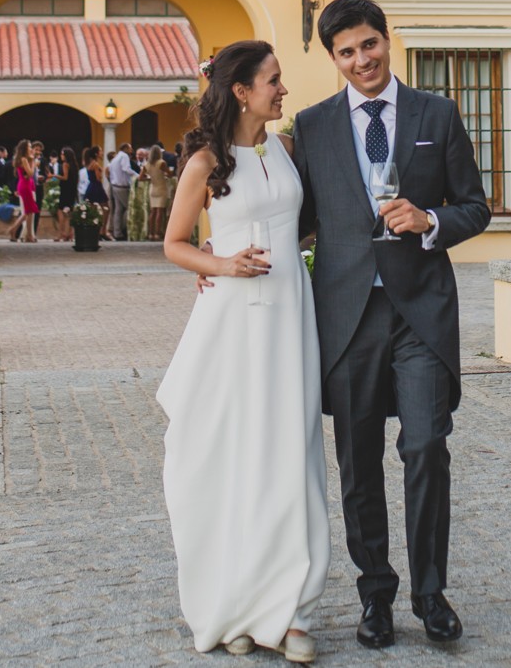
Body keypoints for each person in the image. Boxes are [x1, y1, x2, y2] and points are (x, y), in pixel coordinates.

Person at [294, 0, 490, 648]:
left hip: (421, 311)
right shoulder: (314, 125)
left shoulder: (438, 112)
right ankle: (375, 593)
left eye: (369, 44)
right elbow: (293, 223)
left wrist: (430, 220)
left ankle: (430, 593)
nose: (361, 60)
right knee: (357, 461)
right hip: (348, 315)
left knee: (426, 442)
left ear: (386, 39)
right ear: (333, 57)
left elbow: (475, 207)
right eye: (346, 51)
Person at [158, 40, 325, 663]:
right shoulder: (204, 160)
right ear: (242, 90)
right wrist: (220, 262)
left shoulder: (283, 150)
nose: (283, 90)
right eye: (274, 80)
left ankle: (293, 614)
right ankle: (232, 604)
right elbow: (174, 244)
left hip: (290, 313)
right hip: (233, 320)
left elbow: (299, 224)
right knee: (229, 455)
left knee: (291, 452)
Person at [80, 144, 112, 239]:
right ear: (96, 153)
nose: (102, 153)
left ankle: (95, 231)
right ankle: (103, 230)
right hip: (96, 187)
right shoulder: (96, 164)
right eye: (101, 151)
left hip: (91, 187)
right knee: (106, 208)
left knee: (93, 210)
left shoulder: (90, 163)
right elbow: (98, 178)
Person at [12, 139, 40, 243]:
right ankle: (21, 233)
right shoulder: (24, 159)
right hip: (25, 186)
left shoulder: (24, 159)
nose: (31, 148)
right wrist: (33, 162)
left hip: (27, 185)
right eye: (29, 146)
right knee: (29, 211)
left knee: (30, 211)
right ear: (24, 148)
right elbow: (31, 174)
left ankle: (25, 234)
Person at [107, 141, 136, 240]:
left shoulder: (116, 158)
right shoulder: (124, 156)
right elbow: (126, 168)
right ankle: (129, 230)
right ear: (126, 148)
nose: (131, 150)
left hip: (115, 186)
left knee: (118, 210)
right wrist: (137, 175)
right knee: (130, 208)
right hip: (122, 187)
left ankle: (117, 232)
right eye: (130, 148)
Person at [145, 146, 172, 241]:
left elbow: (140, 177)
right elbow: (169, 174)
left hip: (152, 187)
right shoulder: (161, 163)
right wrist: (165, 175)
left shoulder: (147, 164)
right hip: (161, 187)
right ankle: (157, 233)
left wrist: (149, 178)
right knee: (159, 212)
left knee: (152, 211)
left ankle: (150, 233)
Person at [55, 146, 79, 240]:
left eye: (62, 154)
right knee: (69, 211)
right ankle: (70, 233)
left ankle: (61, 233)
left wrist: (54, 175)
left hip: (65, 189)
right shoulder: (74, 165)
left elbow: (65, 177)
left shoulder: (65, 164)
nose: (61, 156)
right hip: (72, 189)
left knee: (61, 211)